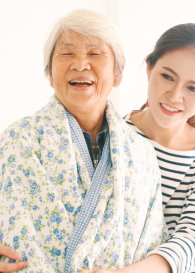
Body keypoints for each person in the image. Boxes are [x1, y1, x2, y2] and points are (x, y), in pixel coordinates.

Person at [0, 10, 168, 273]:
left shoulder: (142, 155)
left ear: (117, 74)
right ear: (50, 74)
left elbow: (152, 240)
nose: (80, 64)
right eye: (67, 54)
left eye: (95, 54)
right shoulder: (16, 141)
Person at [80, 23, 195, 273]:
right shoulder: (110, 133)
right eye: (167, 76)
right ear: (150, 67)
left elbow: (191, 238)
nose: (174, 96)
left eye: (193, 88)